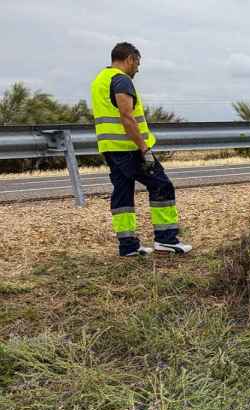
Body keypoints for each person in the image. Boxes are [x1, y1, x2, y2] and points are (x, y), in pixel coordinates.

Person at [90, 42, 191, 256]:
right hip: (130, 148)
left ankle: (128, 246)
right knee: (162, 185)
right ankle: (166, 239)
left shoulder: (100, 79)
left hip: (110, 148)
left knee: (123, 192)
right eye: (137, 63)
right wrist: (144, 148)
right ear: (130, 59)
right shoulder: (121, 80)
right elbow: (127, 117)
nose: (138, 69)